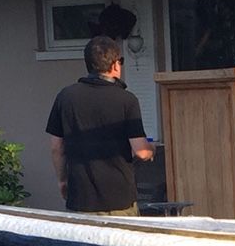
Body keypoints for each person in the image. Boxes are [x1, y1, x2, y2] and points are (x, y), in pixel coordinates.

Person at [45, 34, 154, 215]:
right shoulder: (126, 99)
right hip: (119, 200)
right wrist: (151, 149)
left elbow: (57, 147)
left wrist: (62, 180)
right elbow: (141, 152)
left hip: (80, 198)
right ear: (114, 65)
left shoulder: (66, 97)